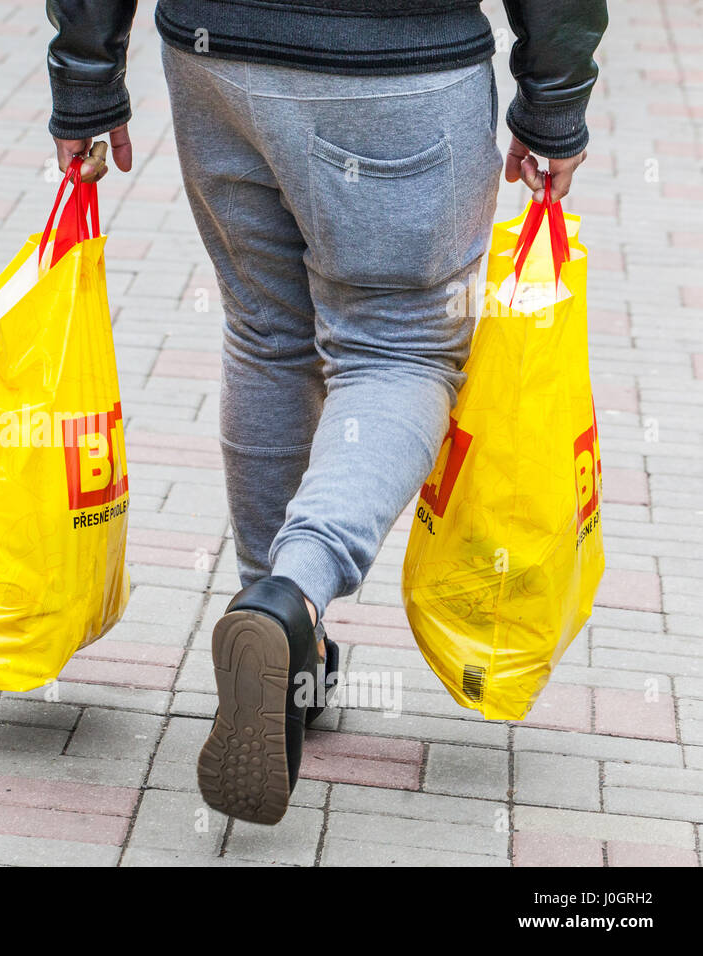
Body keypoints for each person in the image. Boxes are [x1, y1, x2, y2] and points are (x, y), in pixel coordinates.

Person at [45, 0, 608, 824]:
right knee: (399, 351)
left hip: (213, 58)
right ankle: (290, 597)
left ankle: (281, 652)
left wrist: (87, 71)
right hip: (395, 68)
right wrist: (554, 99)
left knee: (267, 330)